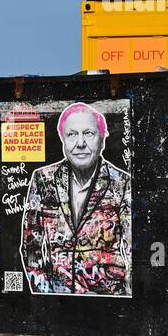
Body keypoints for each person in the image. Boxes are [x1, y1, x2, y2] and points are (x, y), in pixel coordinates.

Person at [20, 102, 131, 295]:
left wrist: (123, 301)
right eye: (72, 134)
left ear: (102, 140)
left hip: (108, 303)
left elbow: (133, 251)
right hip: (57, 301)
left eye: (88, 133)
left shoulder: (122, 183)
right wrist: (46, 296)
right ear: (63, 140)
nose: (80, 143)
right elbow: (31, 247)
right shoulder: (43, 179)